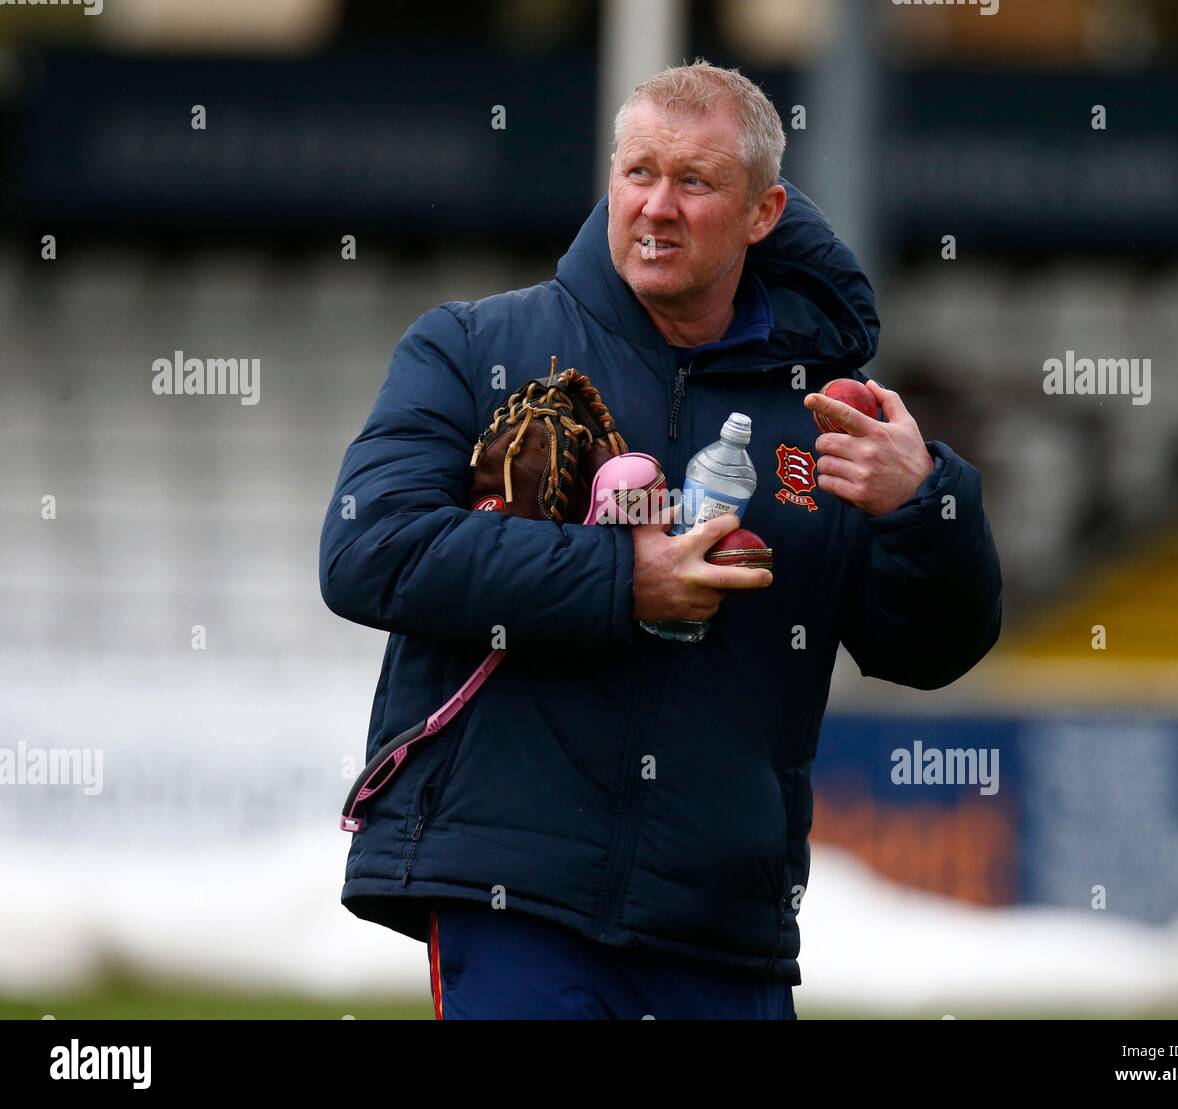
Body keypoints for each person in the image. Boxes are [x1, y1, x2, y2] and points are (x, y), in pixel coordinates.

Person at [319, 60, 1002, 1020]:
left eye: (695, 181)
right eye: (639, 172)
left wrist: (924, 504)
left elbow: (928, 651)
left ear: (764, 213)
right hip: (516, 895)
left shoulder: (824, 412)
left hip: (725, 927)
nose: (658, 206)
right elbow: (367, 550)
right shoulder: (475, 347)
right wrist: (616, 578)